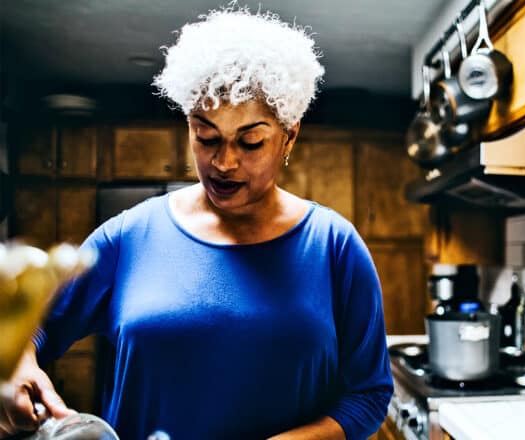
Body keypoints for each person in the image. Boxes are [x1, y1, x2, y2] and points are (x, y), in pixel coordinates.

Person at [0, 6, 393, 440]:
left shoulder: (333, 246)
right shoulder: (129, 236)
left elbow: (369, 396)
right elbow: (28, 328)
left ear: (289, 135)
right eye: (205, 136)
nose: (223, 162)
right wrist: (15, 368)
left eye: (250, 141)